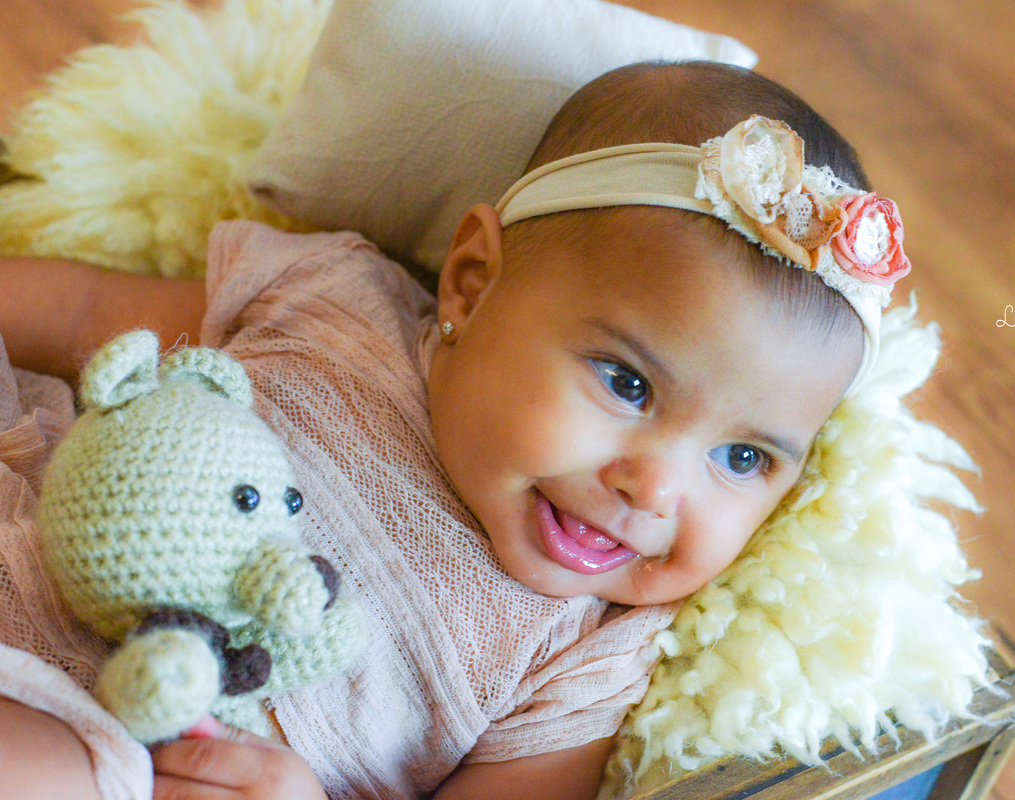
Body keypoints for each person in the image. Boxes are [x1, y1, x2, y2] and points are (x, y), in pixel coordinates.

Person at [0, 61, 911, 800]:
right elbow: (85, 311)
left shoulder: (592, 654)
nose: (656, 488)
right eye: (627, 382)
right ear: (472, 284)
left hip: (109, 755)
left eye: (743, 457)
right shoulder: (333, 300)